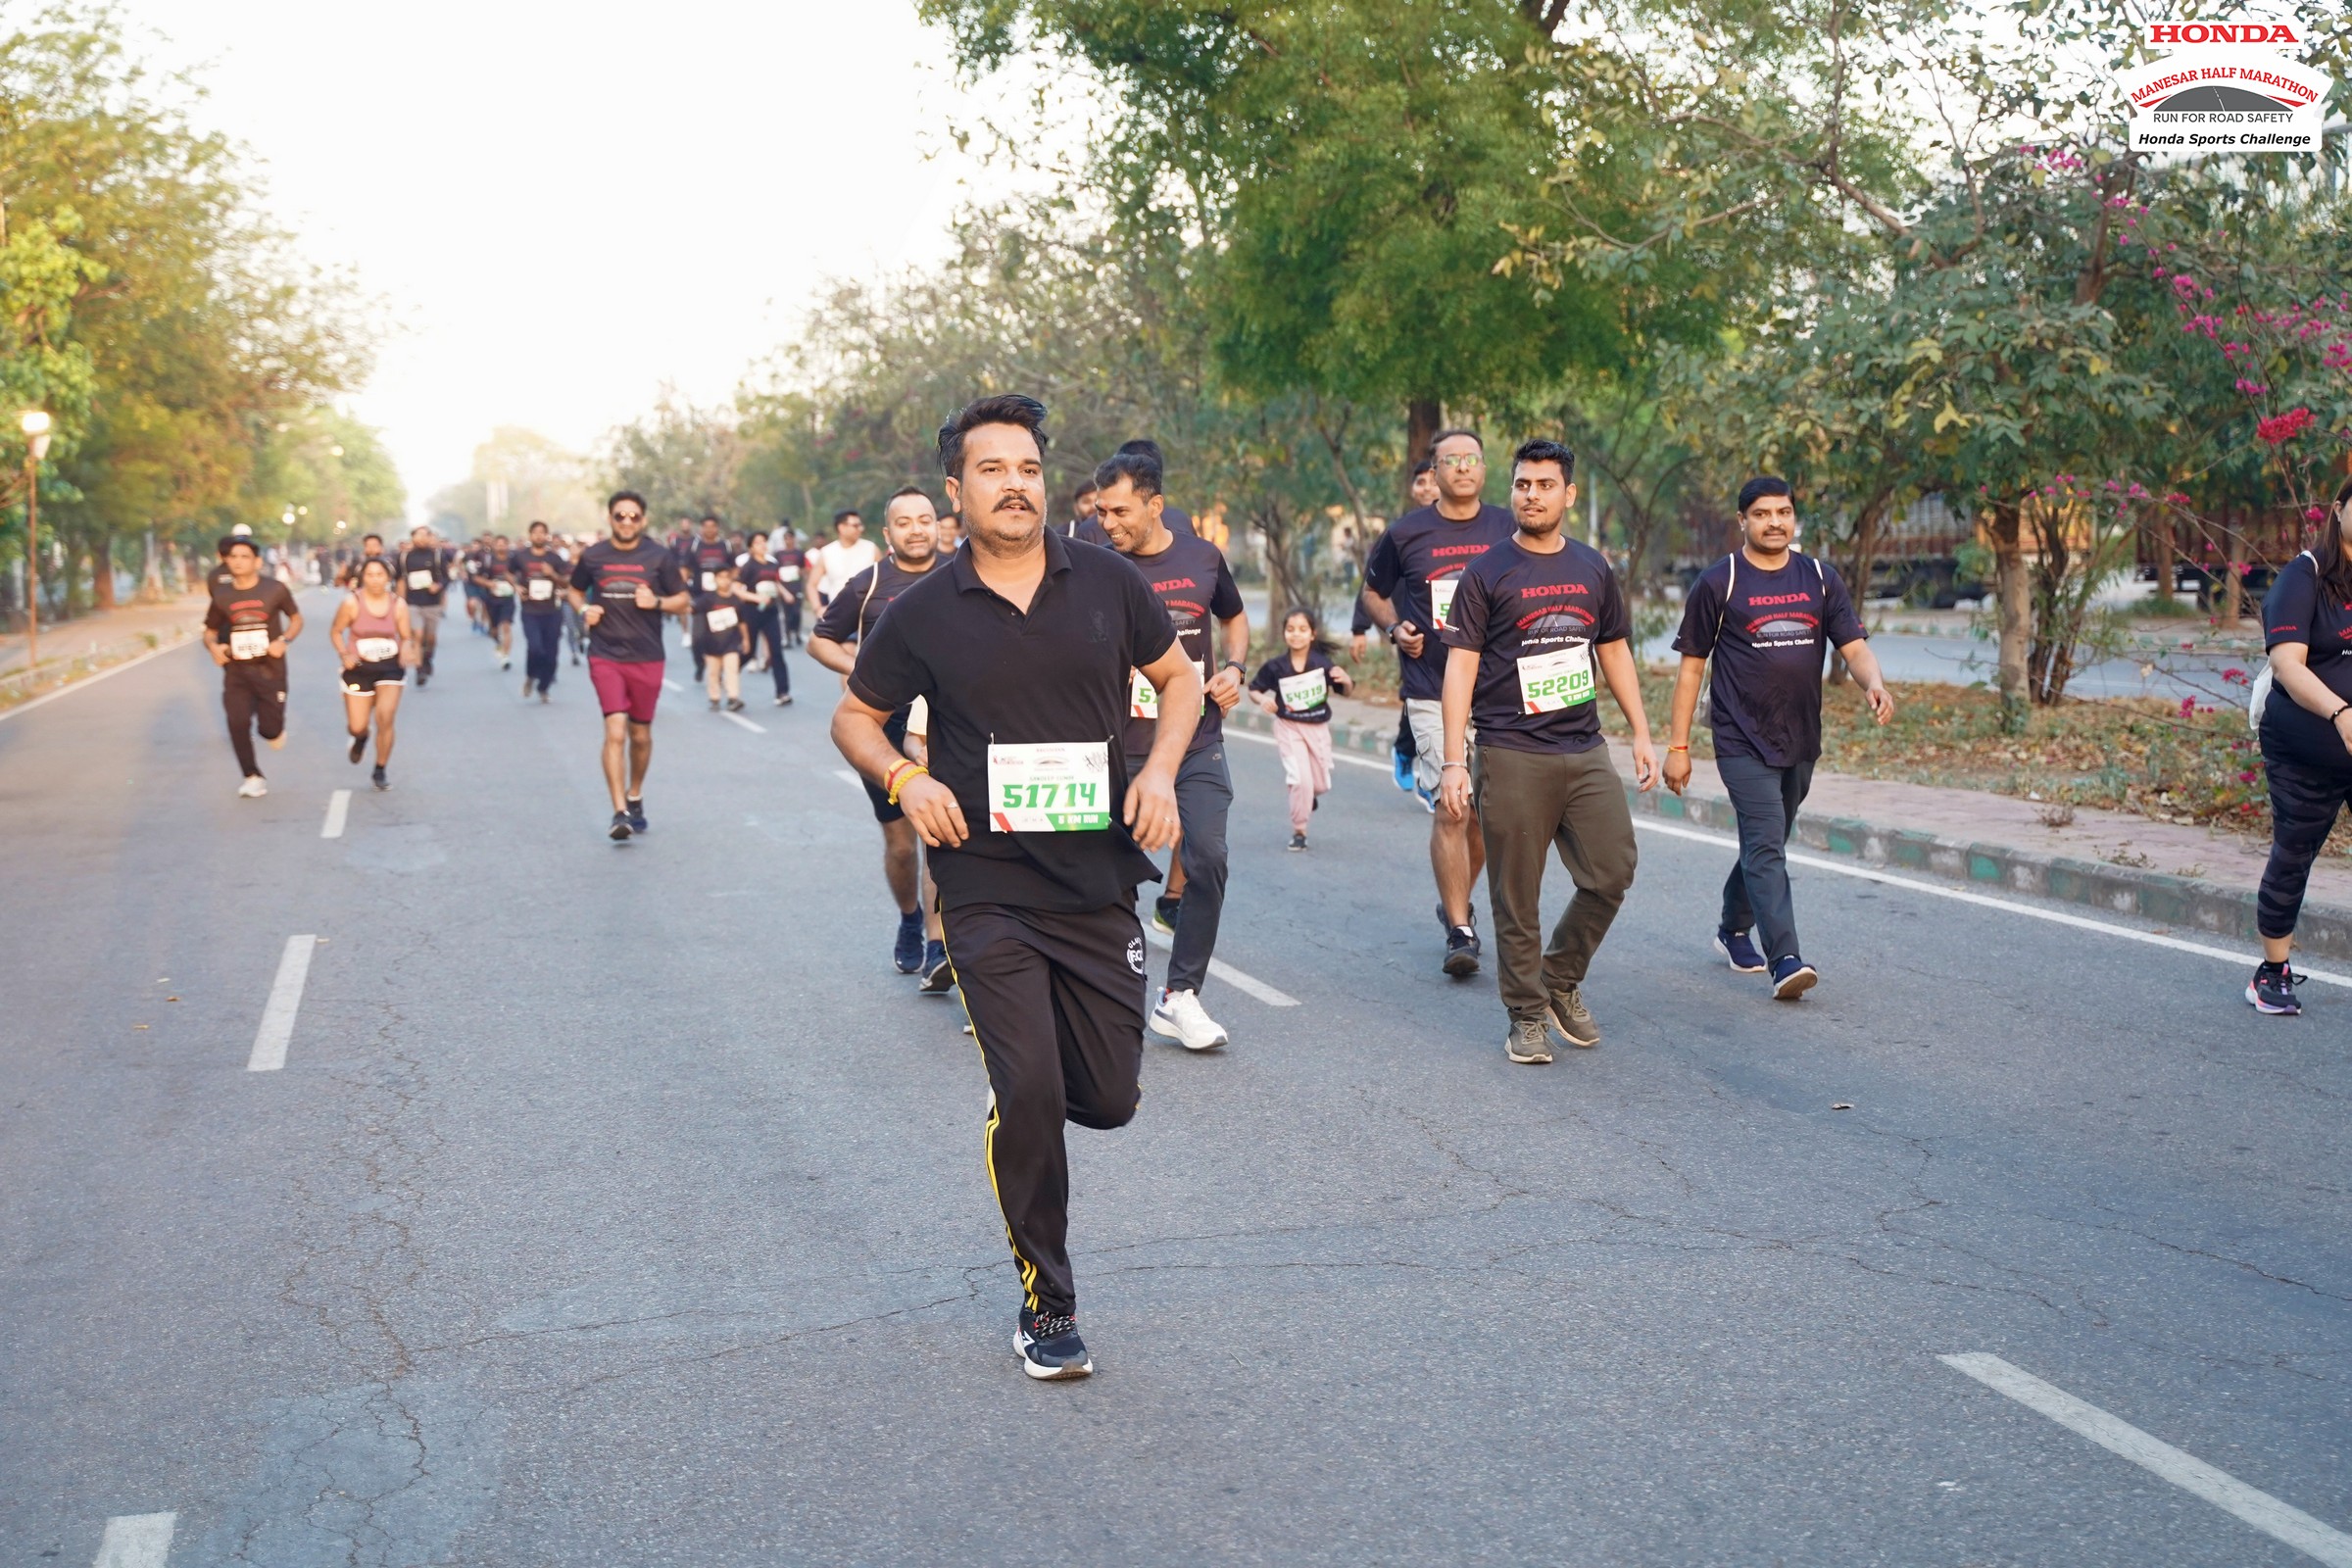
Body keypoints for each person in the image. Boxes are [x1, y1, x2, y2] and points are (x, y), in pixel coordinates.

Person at [830, 393, 1197, 1381]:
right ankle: (1049, 1302)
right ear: (956, 491)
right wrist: (906, 780)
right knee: (1029, 1090)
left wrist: (1160, 772)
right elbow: (854, 718)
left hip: (1096, 879)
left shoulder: (1108, 582)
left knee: (1109, 1099)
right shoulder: (920, 613)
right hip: (985, 884)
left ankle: (1027, 1112)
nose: (1015, 485)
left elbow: (1179, 678)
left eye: (1029, 468)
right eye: (992, 470)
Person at [1439, 438, 1657, 1064]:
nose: (1531, 495)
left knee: (1612, 870)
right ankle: (1527, 1014)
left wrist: (1641, 732)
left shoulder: (1592, 568)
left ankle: (1559, 976)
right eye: (1522, 484)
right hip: (1510, 752)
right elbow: (1461, 668)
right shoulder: (1487, 571)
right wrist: (1454, 761)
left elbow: (1612, 649)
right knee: (1517, 897)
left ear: (1569, 494)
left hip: (1584, 748)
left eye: (1544, 485)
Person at [1665, 476, 1892, 1001]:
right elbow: (1691, 669)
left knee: (1766, 839)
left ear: (1793, 517)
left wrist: (1874, 683)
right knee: (1767, 841)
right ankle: (1785, 959)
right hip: (1739, 737)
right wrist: (1678, 748)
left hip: (1799, 735)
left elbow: (1854, 648)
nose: (1774, 522)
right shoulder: (1719, 582)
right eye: (1762, 514)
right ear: (1742, 521)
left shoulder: (1819, 577)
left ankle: (1732, 928)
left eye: (1783, 512)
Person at [1093, 447, 1250, 1052]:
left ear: (1155, 505)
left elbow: (1234, 618)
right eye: (1102, 512)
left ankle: (1180, 994)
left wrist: (1234, 668)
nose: (1109, 523)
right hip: (1119, 748)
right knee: (1109, 876)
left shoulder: (1203, 557)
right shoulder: (1096, 568)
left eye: (1121, 512)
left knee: (1208, 857)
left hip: (1196, 740)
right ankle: (1110, 991)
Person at [1362, 429, 1517, 975]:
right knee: (1455, 807)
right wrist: (1394, 627)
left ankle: (1456, 900)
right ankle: (1459, 929)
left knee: (1486, 817)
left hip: (1497, 692)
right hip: (1431, 689)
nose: (1463, 467)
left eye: (1472, 458)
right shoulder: (1406, 533)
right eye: (1451, 460)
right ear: (1435, 471)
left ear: (1484, 467)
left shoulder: (1508, 526)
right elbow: (1373, 592)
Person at [809, 485, 948, 974]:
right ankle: (909, 917)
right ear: (887, 535)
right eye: (904, 523)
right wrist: (860, 669)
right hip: (883, 728)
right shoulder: (867, 585)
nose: (916, 530)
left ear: (938, 525)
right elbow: (820, 640)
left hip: (946, 723)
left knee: (938, 836)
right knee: (902, 844)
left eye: (924, 520)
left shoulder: (964, 573)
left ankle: (937, 943)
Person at [2247, 475, 2352, 1014]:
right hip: (2304, 746)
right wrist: (2341, 713)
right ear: (2338, 509)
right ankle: (2272, 971)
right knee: (2294, 853)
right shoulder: (2303, 575)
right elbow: (2287, 664)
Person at [568, 491, 691, 841]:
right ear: (610, 519)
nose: (626, 521)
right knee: (615, 731)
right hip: (605, 654)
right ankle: (619, 811)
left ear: (643, 520)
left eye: (633, 516)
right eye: (620, 516)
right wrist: (584, 610)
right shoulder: (593, 556)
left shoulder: (659, 556)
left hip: (647, 656)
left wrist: (658, 602)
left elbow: (683, 600)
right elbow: (574, 591)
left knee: (640, 735)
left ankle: (635, 794)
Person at [204, 536, 304, 798]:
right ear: (226, 561)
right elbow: (210, 631)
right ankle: (252, 776)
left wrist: (284, 640)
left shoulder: (275, 589)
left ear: (257, 562)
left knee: (269, 729)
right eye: (233, 557)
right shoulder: (222, 595)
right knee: (237, 722)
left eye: (244, 557)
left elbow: (296, 619)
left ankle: (274, 731)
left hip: (270, 668)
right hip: (237, 670)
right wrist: (214, 648)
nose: (238, 562)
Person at [1250, 607, 1353, 850]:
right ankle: (1300, 830)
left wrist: (1346, 680)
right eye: (1290, 629)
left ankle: (1308, 797)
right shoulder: (1276, 667)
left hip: (1317, 728)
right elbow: (1254, 689)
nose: (1296, 634)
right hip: (1288, 727)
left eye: (1302, 629)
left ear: (1312, 634)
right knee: (1299, 779)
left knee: (1321, 784)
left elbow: (1346, 691)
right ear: (1284, 633)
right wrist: (1263, 700)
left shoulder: (1322, 664)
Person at [330, 557, 414, 789]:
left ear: (388, 578)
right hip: (358, 668)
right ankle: (361, 738)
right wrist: (344, 654)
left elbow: (406, 636)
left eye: (380, 575)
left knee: (385, 717)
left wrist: (407, 649)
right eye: (370, 575)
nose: (375, 580)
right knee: (357, 726)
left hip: (389, 666)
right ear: (362, 578)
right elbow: (336, 631)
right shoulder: (351, 603)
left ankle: (380, 769)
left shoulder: (398, 604)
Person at [733, 530, 796, 706]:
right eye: (758, 542)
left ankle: (782, 692)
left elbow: (775, 582)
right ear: (751, 547)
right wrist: (756, 598)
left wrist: (785, 593)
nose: (762, 545)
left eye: (764, 542)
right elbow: (736, 589)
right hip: (752, 612)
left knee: (777, 651)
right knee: (749, 651)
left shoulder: (772, 564)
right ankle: (730, 672)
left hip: (771, 612)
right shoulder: (748, 566)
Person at [512, 520, 570, 701]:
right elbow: (508, 572)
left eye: (542, 532)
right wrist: (516, 586)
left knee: (551, 654)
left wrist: (553, 574)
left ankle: (543, 687)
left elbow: (566, 582)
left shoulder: (555, 558)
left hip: (552, 611)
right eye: (535, 532)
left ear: (547, 536)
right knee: (535, 647)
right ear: (530, 535)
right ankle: (531, 676)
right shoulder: (521, 556)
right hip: (530, 610)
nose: (539, 535)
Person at [694, 564, 757, 710]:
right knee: (713, 672)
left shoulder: (736, 600)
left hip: (731, 642)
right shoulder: (707, 599)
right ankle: (714, 698)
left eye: (727, 577)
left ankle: (733, 697)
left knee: (731, 670)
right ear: (715, 579)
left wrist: (746, 639)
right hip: (711, 642)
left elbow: (742, 622)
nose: (724, 581)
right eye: (720, 577)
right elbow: (694, 611)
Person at [398, 526, 449, 686]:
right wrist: (400, 601)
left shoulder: (437, 556)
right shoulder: (405, 557)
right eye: (418, 535)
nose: (421, 538)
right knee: (417, 635)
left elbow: (446, 577)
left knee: (430, 638)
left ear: (430, 537)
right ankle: (419, 669)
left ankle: (428, 658)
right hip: (413, 602)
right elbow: (399, 579)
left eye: (424, 535)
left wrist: (438, 585)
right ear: (412, 537)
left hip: (432, 603)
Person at [810, 510, 879, 613]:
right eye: (855, 525)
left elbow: (886, 579)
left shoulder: (871, 549)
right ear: (841, 527)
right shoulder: (827, 552)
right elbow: (811, 584)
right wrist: (818, 609)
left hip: (868, 613)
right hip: (838, 613)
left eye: (860, 525)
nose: (861, 529)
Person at [478, 532, 518, 668]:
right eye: (498, 544)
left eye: (503, 544)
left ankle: (505, 657)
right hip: (492, 599)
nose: (501, 547)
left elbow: (520, 576)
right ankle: (498, 642)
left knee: (506, 625)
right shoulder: (488, 560)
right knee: (494, 630)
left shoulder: (514, 561)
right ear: (494, 546)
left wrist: (514, 582)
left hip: (508, 598)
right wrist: (488, 583)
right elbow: (476, 577)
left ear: (508, 545)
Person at [772, 523, 808, 645]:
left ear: (794, 539)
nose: (788, 541)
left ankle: (797, 633)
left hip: (796, 586)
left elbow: (805, 569)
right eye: (786, 538)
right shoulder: (779, 554)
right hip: (784, 587)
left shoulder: (799, 553)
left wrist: (800, 572)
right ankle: (787, 636)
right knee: (786, 613)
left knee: (796, 612)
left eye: (790, 538)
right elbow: (775, 570)